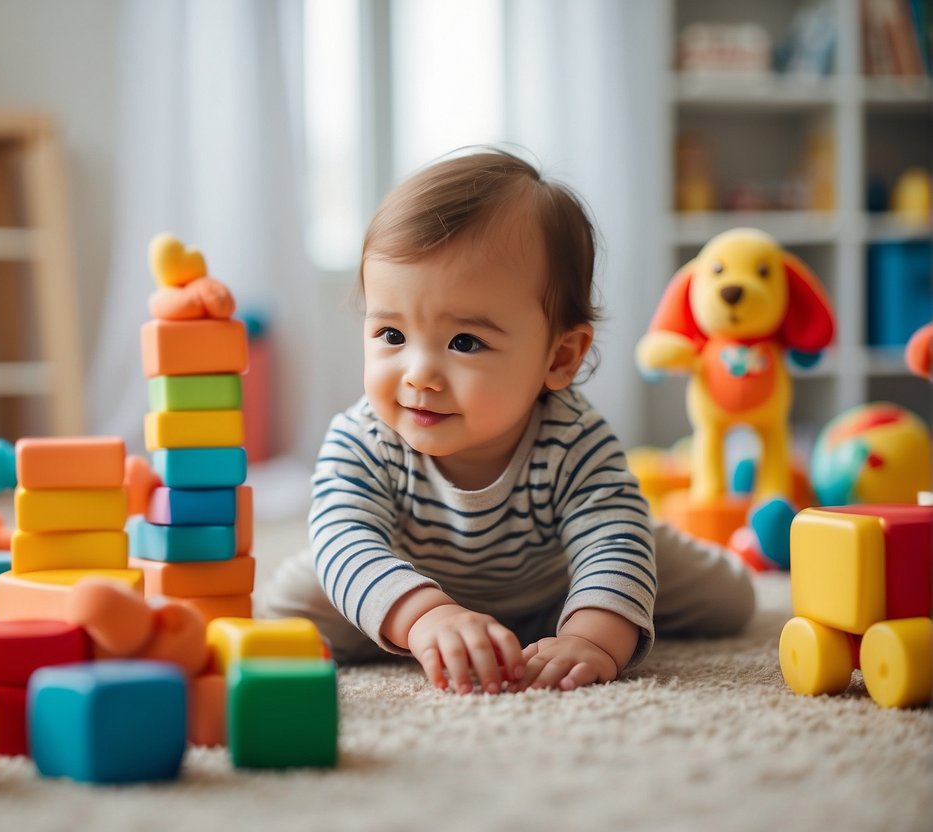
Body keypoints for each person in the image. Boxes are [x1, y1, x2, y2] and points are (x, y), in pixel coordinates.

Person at [260, 148, 755, 694]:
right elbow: (346, 534)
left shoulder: (573, 438)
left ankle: (593, 596)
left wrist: (592, 639)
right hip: (405, 566)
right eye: (392, 336)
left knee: (717, 592)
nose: (419, 375)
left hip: (556, 574)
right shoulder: (363, 440)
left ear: (559, 358)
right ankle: (423, 614)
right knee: (291, 607)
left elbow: (610, 537)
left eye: (465, 342)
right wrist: (427, 616)